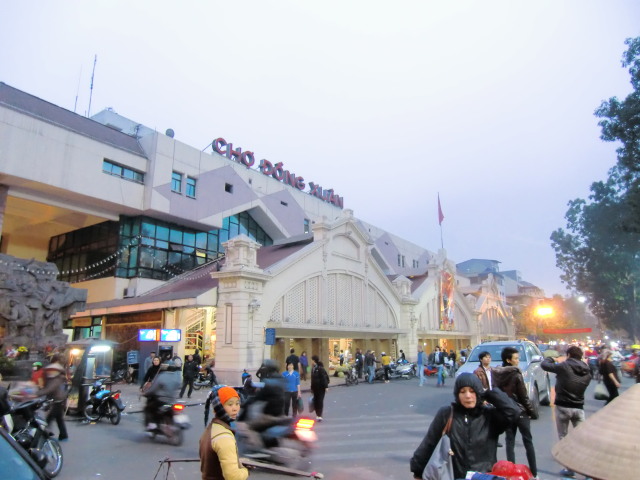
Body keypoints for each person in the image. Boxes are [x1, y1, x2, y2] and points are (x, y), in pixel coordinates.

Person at [410, 373, 520, 479]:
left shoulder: (489, 416)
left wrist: (489, 393)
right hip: (455, 476)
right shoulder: (447, 414)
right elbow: (430, 443)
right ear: (457, 395)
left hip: (484, 476)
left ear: (478, 393)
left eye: (472, 391)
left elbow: (513, 412)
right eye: (462, 392)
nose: (467, 396)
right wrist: (418, 471)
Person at [541, 345, 591, 478]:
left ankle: (569, 468)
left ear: (568, 355)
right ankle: (587, 471)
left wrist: (551, 359)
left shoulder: (564, 366)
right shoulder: (587, 370)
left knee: (564, 438)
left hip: (563, 406)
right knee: (582, 439)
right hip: (579, 407)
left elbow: (544, 365)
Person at [494, 346, 538, 478]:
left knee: (510, 442)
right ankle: (534, 473)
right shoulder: (516, 374)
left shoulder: (497, 374)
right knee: (528, 442)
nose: (518, 361)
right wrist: (532, 412)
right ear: (508, 360)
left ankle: (510, 472)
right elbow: (523, 397)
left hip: (507, 412)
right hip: (520, 412)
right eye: (516, 358)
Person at [199, 386, 249, 480]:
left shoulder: (211, 429)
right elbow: (233, 477)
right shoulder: (224, 437)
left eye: (237, 403)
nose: (235, 408)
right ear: (219, 407)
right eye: (230, 404)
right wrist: (245, 471)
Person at [37, 354, 68, 441]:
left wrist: (38, 393)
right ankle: (63, 435)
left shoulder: (54, 373)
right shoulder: (60, 373)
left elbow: (51, 387)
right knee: (58, 417)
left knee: (50, 418)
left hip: (55, 397)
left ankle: (43, 434)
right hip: (59, 397)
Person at [143, 362, 181, 430]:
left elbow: (153, 388)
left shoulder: (162, 376)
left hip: (162, 400)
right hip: (173, 401)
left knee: (148, 408)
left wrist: (146, 393)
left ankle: (152, 424)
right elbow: (179, 386)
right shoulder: (177, 377)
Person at [310, 355, 329, 421]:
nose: (311, 361)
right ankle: (317, 414)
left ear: (314, 361)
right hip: (315, 388)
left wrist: (326, 387)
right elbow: (312, 380)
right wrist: (311, 388)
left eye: (311, 360)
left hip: (321, 388)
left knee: (320, 401)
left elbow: (324, 378)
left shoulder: (320, 368)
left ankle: (319, 415)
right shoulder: (313, 369)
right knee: (315, 401)